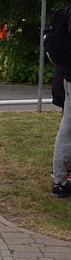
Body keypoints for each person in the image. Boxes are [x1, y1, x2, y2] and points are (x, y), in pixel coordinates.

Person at [52, 64, 71, 197]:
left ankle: (60, 180)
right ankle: (60, 180)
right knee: (66, 131)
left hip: (66, 77)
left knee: (66, 130)